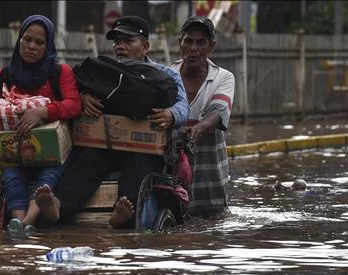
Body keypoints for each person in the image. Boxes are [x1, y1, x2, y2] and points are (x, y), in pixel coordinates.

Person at [36, 16, 189, 229]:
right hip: (105, 144)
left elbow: (183, 105)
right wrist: (83, 97)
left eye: (128, 41)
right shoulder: (103, 71)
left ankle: (123, 212)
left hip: (143, 147)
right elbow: (73, 91)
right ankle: (57, 207)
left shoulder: (165, 75)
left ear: (145, 46)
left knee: (140, 164)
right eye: (117, 42)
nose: (121, 47)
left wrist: (171, 115)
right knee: (86, 161)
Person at [0, 15, 82, 232]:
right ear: (19, 40)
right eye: (26, 40)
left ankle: (29, 220)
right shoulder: (4, 76)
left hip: (54, 152)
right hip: (14, 150)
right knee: (10, 172)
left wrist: (42, 112)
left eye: (39, 43)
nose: (31, 46)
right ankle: (18, 221)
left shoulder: (60, 73)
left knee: (49, 171)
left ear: (47, 46)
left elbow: (74, 105)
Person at [169, 16, 235, 217]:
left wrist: (200, 127)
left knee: (211, 228)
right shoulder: (168, 75)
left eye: (200, 42)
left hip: (210, 174)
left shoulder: (223, 78)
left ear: (211, 47)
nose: (193, 48)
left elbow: (218, 112)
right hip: (173, 172)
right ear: (180, 43)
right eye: (188, 41)